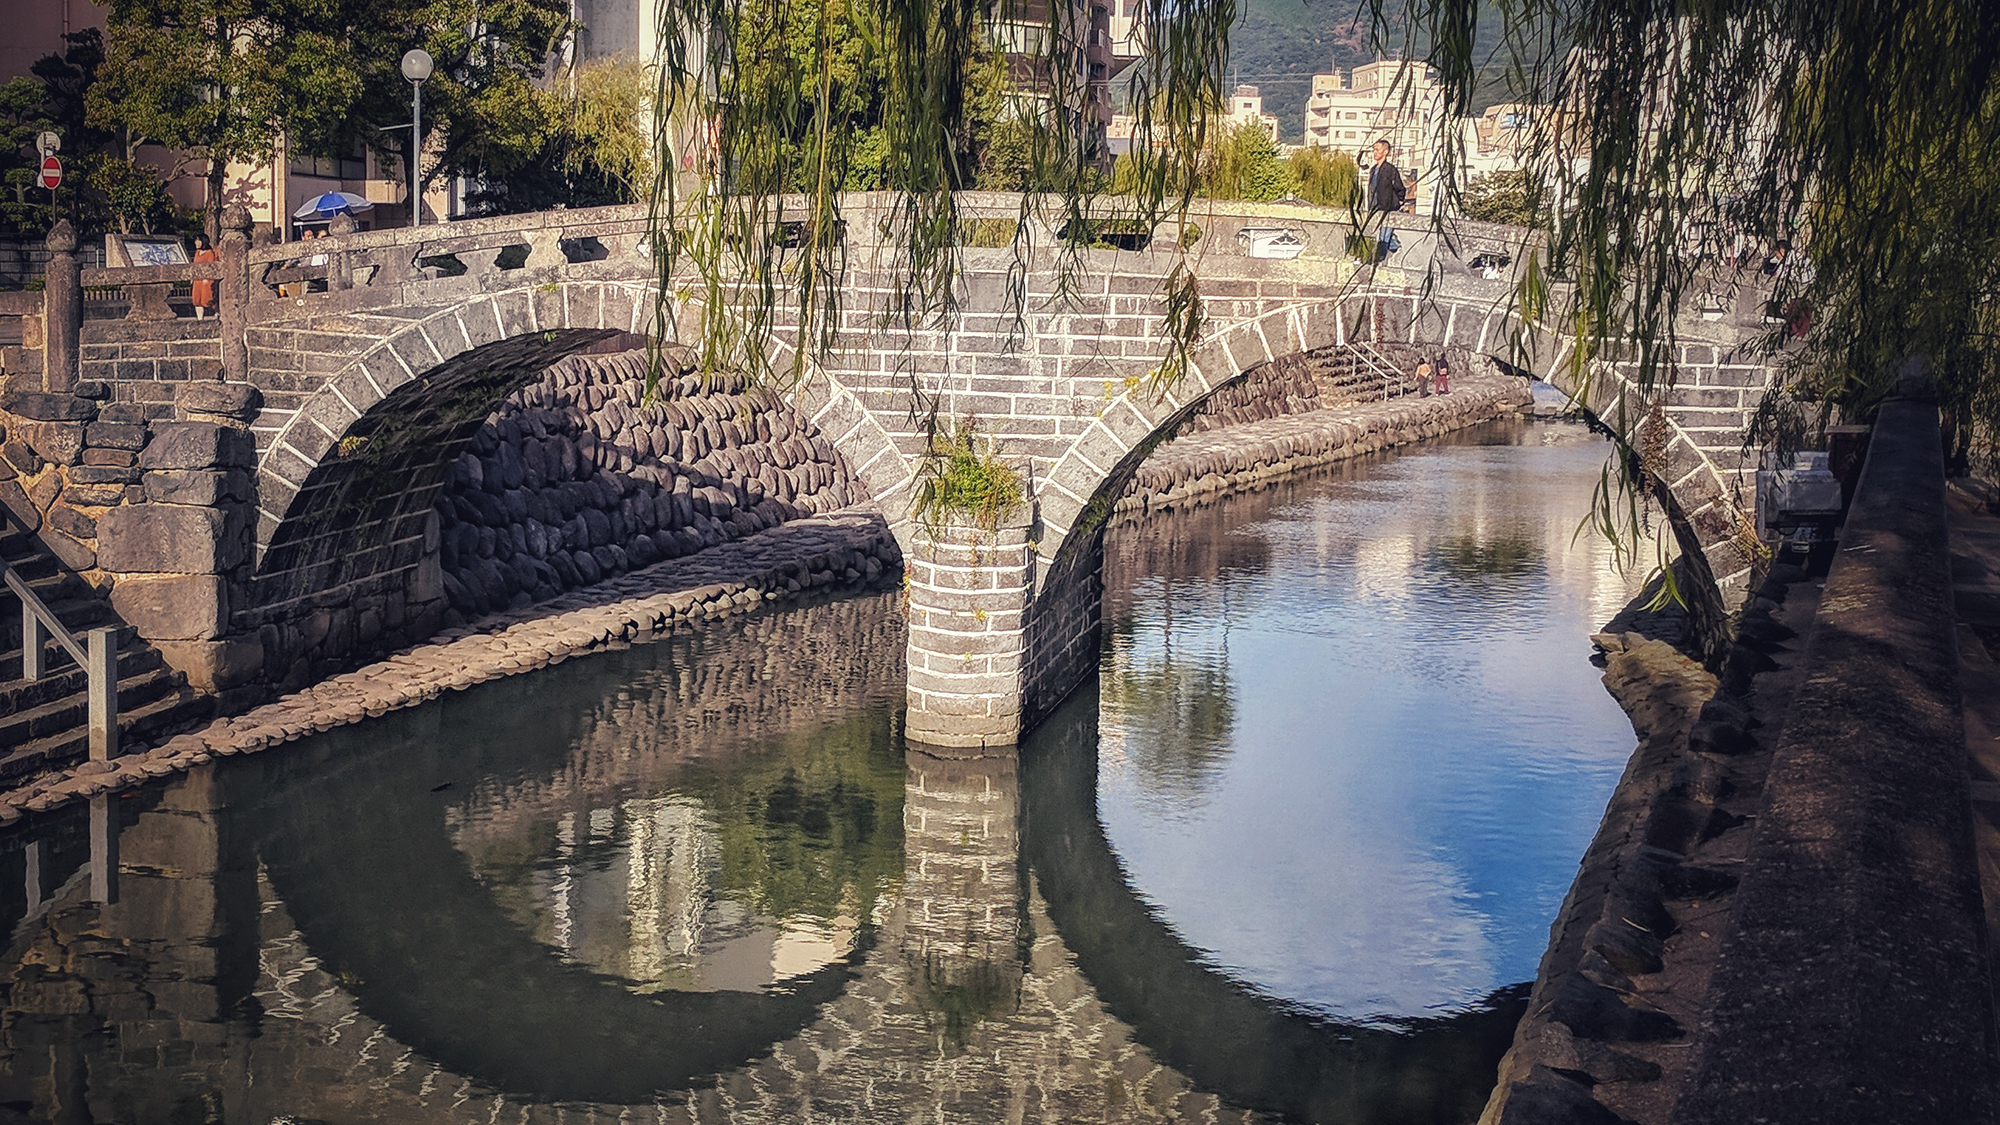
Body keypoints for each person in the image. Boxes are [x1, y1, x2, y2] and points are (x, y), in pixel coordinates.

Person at [1367, 139, 1407, 263]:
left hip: (1387, 207)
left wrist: (1400, 200)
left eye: (1377, 150)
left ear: (1385, 152)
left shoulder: (1390, 169)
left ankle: (1380, 260)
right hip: (1375, 207)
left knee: (1384, 235)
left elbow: (1399, 187)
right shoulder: (1373, 169)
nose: (1375, 152)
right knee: (1380, 235)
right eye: (1374, 150)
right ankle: (1395, 247)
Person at [189, 235, 217, 319]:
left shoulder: (209, 253)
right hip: (197, 279)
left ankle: (217, 313)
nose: (196, 243)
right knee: (197, 300)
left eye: (199, 241)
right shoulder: (197, 253)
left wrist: (207, 279)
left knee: (207, 299)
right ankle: (200, 318)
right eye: (196, 241)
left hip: (206, 280)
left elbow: (210, 267)